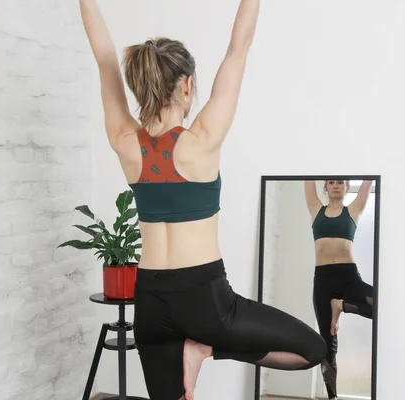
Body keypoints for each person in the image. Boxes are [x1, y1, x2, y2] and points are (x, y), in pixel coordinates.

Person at [79, 1, 327, 399]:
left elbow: (105, 58)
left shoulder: (125, 143)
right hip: (205, 299)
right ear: (188, 85)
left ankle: (199, 349)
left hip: (150, 302)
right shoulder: (201, 141)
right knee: (312, 349)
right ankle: (207, 348)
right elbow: (238, 48)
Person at [303, 179, 375, 400]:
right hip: (323, 280)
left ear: (346, 188)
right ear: (325, 187)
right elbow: (308, 179)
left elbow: (367, 182)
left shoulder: (353, 210)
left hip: (349, 277)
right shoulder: (316, 209)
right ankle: (332, 397)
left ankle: (341, 306)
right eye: (331, 183)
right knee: (328, 344)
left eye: (340, 183)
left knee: (380, 305)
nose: (335, 186)